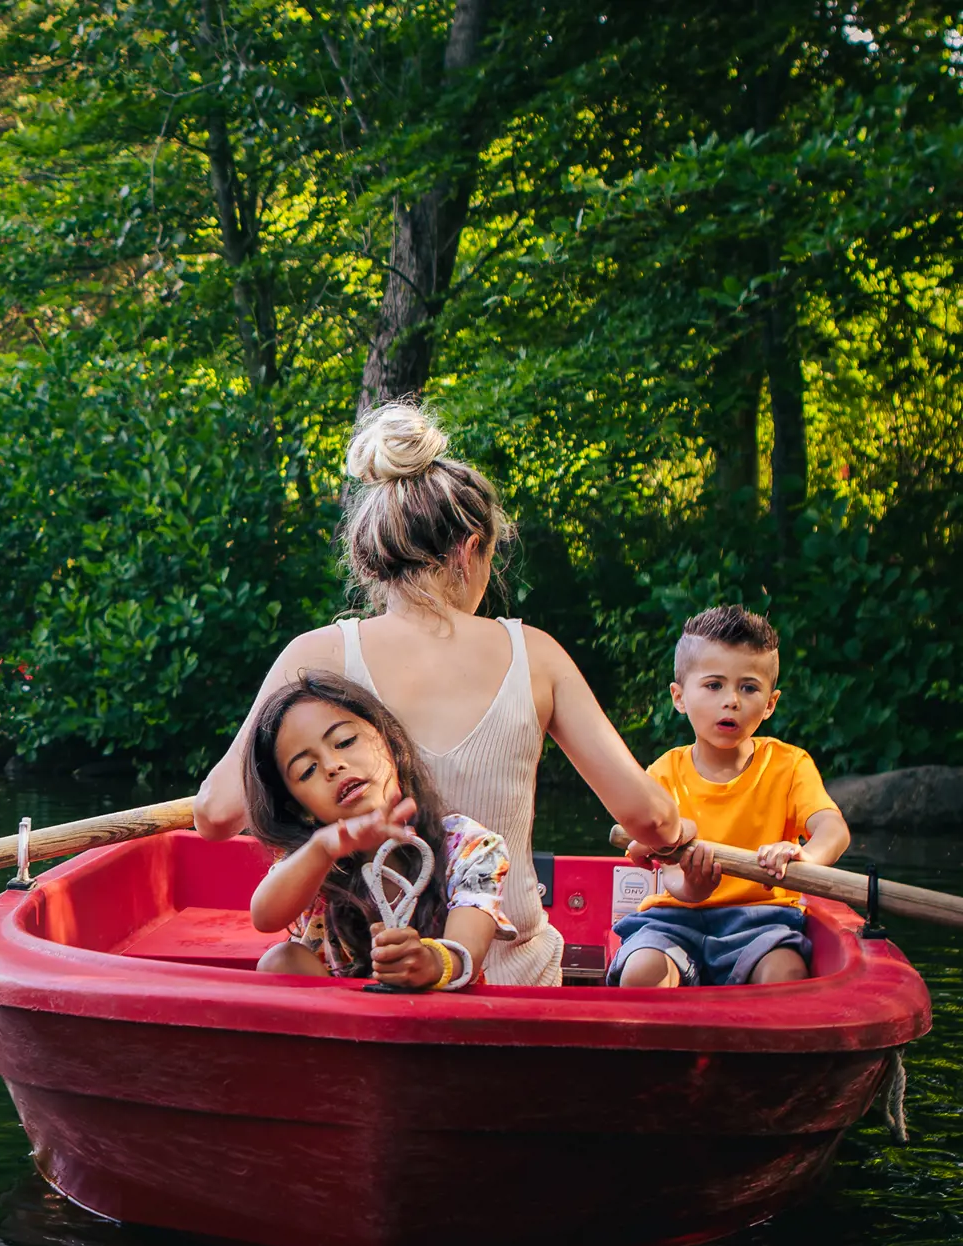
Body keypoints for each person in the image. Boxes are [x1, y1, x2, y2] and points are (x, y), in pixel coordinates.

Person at [196, 401, 691, 986]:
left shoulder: (316, 655)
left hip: (353, 986)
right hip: (511, 984)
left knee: (284, 962)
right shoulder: (535, 653)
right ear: (469, 548)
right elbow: (647, 817)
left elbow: (215, 815)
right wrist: (680, 838)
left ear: (374, 561)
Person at [613, 605, 851, 987]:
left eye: (749, 687)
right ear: (679, 697)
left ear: (770, 703)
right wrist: (695, 887)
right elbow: (672, 877)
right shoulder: (662, 774)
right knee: (642, 973)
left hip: (763, 921)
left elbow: (832, 828)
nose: (732, 701)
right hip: (674, 919)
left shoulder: (789, 765)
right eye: (713, 685)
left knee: (784, 974)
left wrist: (808, 855)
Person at [244, 672, 517, 988]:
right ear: (300, 809)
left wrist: (429, 962)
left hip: (441, 1021)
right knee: (280, 960)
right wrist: (322, 848)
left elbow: (467, 951)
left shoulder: (467, 844)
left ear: (389, 740)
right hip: (343, 1027)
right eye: (307, 771)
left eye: (345, 742)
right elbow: (265, 917)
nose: (333, 765)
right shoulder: (314, 858)